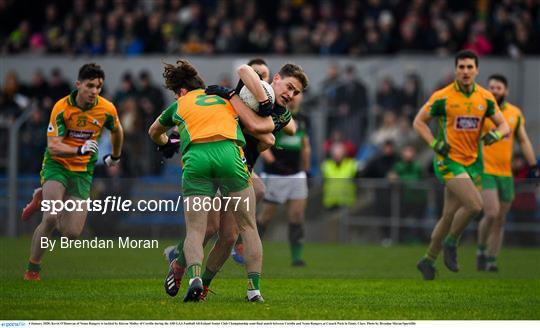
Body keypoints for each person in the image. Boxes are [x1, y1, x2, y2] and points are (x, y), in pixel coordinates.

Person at [163, 60, 308, 300]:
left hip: (239, 166)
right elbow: (238, 74)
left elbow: (255, 125)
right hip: (221, 159)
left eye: (296, 92)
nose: (291, 95)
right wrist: (175, 138)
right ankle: (178, 262)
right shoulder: (247, 92)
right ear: (276, 80)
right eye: (289, 87)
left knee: (228, 236)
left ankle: (202, 283)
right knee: (209, 227)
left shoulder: (280, 113)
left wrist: (233, 97)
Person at [148, 59, 275, 302]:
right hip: (229, 154)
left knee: (196, 230)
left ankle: (195, 277)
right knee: (248, 226)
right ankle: (254, 290)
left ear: (182, 91)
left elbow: (153, 131)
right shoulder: (228, 98)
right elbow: (265, 134)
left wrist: (166, 142)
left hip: (196, 158)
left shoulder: (180, 104)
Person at [22, 63, 124, 280]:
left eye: (99, 87)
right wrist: (80, 147)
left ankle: (42, 196)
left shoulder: (106, 108)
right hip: (56, 166)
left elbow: (117, 130)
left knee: (72, 233)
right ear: (78, 85)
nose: (94, 91)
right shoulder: (61, 107)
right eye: (90, 86)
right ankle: (32, 270)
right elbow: (53, 146)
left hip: (82, 172)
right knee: (50, 218)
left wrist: (115, 156)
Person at [413, 50, 509, 280]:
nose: (465, 71)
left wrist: (495, 136)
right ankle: (451, 243)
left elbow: (504, 126)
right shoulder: (443, 97)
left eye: (469, 67)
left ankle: (427, 260)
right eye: (461, 67)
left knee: (448, 216)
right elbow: (418, 122)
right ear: (456, 69)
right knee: (475, 206)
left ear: (476, 70)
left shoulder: (485, 98)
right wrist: (435, 144)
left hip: (472, 163)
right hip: (449, 161)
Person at [477, 74, 539, 272]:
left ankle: (491, 259)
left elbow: (524, 141)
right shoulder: (482, 112)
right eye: (491, 87)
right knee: (492, 212)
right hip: (486, 170)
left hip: (506, 174)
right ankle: (480, 249)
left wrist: (534, 166)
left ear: (506, 91)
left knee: (501, 220)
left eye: (498, 87)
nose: (494, 90)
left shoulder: (515, 113)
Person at [257, 92, 311, 266]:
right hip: (275, 174)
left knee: (297, 215)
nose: (295, 96)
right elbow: (261, 142)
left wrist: (307, 169)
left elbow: (305, 145)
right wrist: (273, 162)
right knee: (265, 216)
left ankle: (297, 257)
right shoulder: (275, 114)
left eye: (298, 93)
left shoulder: (303, 118)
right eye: (292, 92)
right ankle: (245, 249)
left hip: (296, 174)